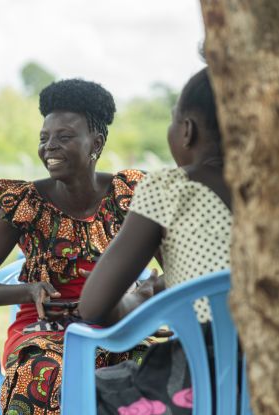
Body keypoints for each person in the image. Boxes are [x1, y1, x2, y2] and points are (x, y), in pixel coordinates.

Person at [0, 78, 150, 415]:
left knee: (154, 364)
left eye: (64, 137)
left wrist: (145, 290)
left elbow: (172, 271)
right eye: (44, 138)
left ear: (97, 142)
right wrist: (28, 290)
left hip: (119, 321)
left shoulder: (128, 195)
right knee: (45, 376)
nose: (50, 147)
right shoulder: (25, 203)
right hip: (47, 333)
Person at [78, 67, 229, 414]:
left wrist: (133, 298)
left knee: (95, 387)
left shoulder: (169, 188)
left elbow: (94, 307)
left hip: (198, 379)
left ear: (187, 130)